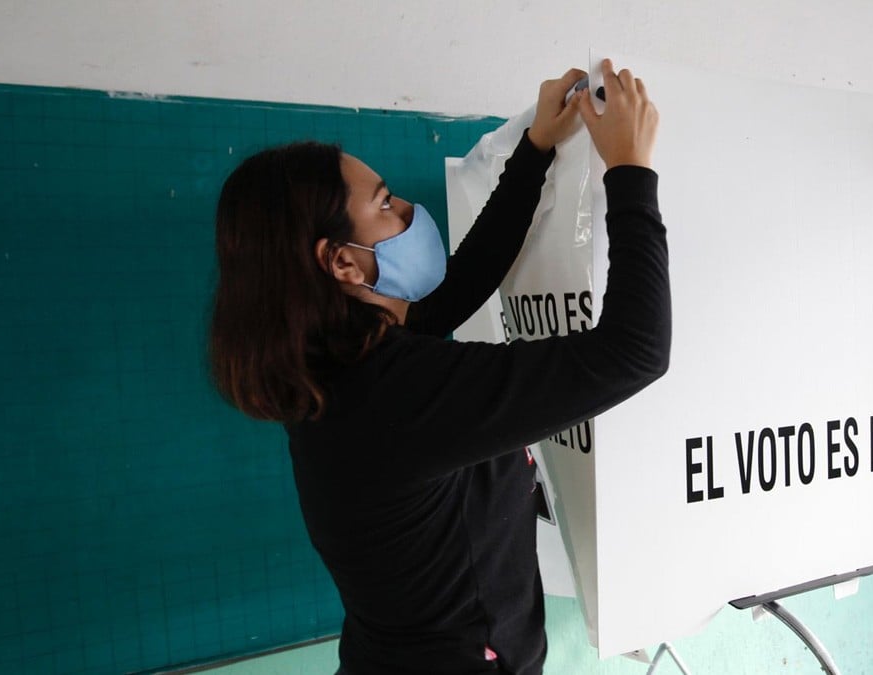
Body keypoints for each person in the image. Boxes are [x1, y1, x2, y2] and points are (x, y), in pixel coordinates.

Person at [208, 60, 668, 675]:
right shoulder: (393, 395)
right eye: (386, 205)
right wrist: (631, 171)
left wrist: (533, 152)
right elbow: (634, 350)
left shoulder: (342, 362)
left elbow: (458, 286)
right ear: (343, 264)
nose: (408, 209)